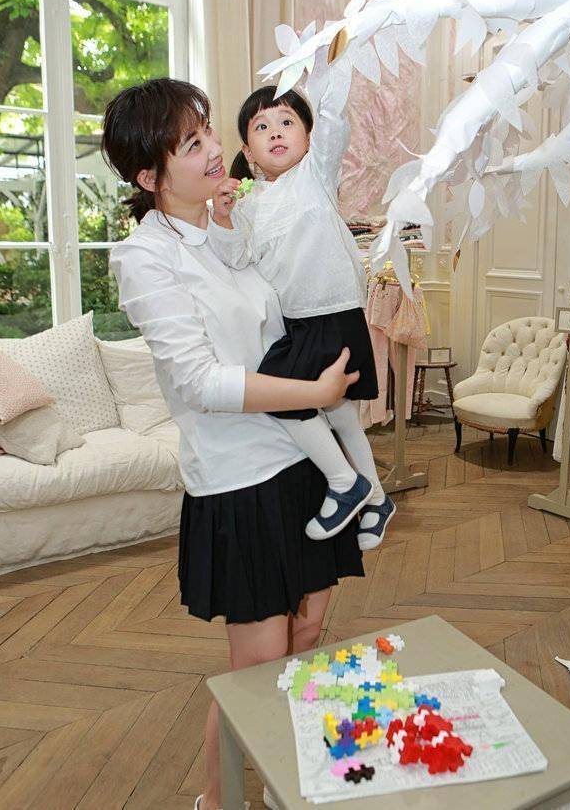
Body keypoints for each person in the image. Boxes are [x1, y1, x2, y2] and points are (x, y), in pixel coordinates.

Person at [103, 77, 364, 810]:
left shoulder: (234, 222)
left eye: (210, 131)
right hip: (240, 478)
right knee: (258, 665)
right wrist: (312, 394)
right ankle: (216, 802)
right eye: (192, 144)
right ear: (149, 177)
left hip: (303, 461)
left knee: (309, 631)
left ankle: (288, 783)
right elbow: (198, 380)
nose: (216, 150)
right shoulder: (145, 258)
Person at [209, 85, 396, 550]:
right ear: (248, 151)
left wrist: (328, 68)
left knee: (279, 394)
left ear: (310, 138)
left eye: (287, 122)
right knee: (342, 415)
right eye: (262, 127)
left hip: (334, 311)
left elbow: (335, 123)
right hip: (298, 320)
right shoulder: (249, 203)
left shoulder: (314, 174)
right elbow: (237, 257)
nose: (275, 132)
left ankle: (345, 482)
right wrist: (224, 218)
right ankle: (375, 499)